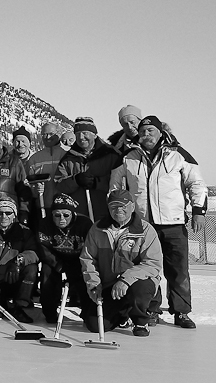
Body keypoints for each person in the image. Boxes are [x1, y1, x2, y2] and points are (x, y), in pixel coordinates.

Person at [109, 115, 207, 329]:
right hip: (142, 226)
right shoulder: (128, 158)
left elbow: (196, 183)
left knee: (178, 270)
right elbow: (115, 188)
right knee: (148, 268)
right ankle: (151, 309)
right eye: (143, 132)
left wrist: (199, 210)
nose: (146, 135)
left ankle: (181, 313)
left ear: (160, 132)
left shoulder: (178, 155)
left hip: (173, 222)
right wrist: (120, 212)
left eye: (151, 131)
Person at [79, 190, 162, 337]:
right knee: (94, 325)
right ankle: (123, 315)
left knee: (140, 289)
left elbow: (153, 264)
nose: (118, 210)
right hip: (109, 285)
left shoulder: (146, 230)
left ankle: (140, 321)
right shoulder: (97, 229)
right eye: (113, 206)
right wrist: (93, 284)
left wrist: (125, 280)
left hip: (136, 283)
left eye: (122, 206)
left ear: (132, 206)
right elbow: (88, 259)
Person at [36, 193, 94, 323]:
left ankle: (87, 312)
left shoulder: (84, 224)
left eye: (66, 215)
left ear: (72, 214)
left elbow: (92, 247)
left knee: (85, 279)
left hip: (80, 259)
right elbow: (43, 248)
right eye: (57, 215)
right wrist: (58, 265)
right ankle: (50, 313)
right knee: (47, 275)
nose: (61, 218)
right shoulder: (45, 224)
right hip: (56, 259)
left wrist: (81, 264)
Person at [55, 117, 118, 219]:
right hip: (79, 215)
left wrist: (97, 183)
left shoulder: (110, 155)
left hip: (106, 213)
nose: (81, 137)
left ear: (94, 134)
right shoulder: (68, 159)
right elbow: (59, 184)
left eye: (85, 133)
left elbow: (120, 182)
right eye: (77, 134)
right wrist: (75, 180)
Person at [25, 122, 67, 220]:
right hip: (43, 207)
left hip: (64, 209)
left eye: (51, 134)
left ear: (58, 134)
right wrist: (35, 190)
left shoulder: (67, 155)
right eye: (44, 134)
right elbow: (27, 184)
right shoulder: (34, 159)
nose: (47, 137)